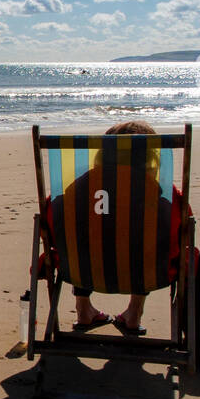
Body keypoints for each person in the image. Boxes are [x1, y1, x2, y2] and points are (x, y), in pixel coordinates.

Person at [59, 120, 170, 336]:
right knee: (148, 239)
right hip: (140, 270)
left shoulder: (85, 185)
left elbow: (55, 214)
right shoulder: (154, 193)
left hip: (82, 269)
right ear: (149, 157)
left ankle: (83, 310)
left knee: (79, 229)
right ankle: (134, 313)